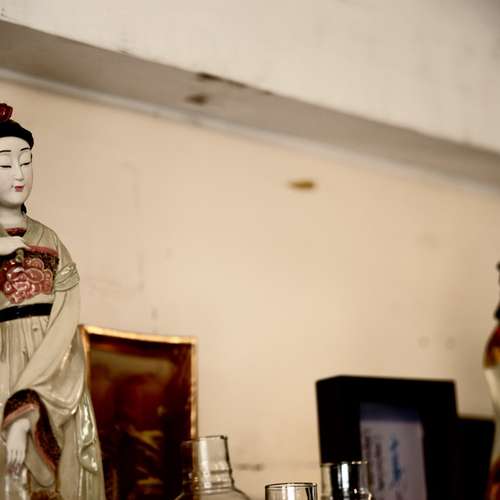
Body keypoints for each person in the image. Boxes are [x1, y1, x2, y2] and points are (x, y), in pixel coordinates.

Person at [0, 103, 104, 499]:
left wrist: (31, 399)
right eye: (5, 164)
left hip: (53, 364)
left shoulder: (50, 240)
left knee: (67, 475)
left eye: (26, 161)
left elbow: (65, 321)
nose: (19, 174)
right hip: (3, 362)